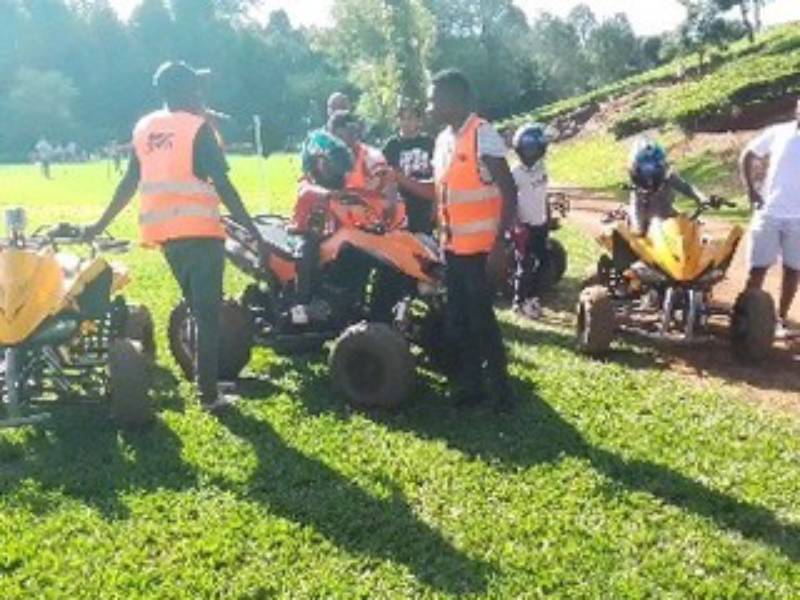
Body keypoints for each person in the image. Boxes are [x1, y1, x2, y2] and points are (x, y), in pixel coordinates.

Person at [84, 61, 268, 413]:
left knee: (198, 309)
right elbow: (224, 185)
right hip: (200, 232)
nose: (200, 92)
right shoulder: (198, 129)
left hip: (166, 235)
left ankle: (206, 379)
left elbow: (129, 183)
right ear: (184, 90)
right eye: (195, 87)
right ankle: (209, 394)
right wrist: (251, 228)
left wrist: (98, 224)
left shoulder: (144, 129)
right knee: (208, 313)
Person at [429, 69, 518, 411]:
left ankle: (500, 391)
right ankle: (470, 385)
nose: (431, 105)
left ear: (455, 100)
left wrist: (500, 244)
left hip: (482, 251)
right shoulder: (443, 140)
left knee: (482, 321)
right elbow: (444, 191)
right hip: (453, 250)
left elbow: (509, 191)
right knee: (459, 321)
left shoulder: (483, 134)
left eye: (435, 99)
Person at [740, 98, 800, 338]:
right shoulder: (778, 132)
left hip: (798, 219)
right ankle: (744, 318)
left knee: (793, 270)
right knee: (757, 269)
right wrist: (751, 191)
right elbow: (748, 155)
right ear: (797, 109)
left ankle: (780, 318)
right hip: (769, 213)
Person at [291, 129, 355, 323]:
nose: (339, 175)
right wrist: (328, 194)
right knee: (307, 252)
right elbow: (308, 192)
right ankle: (300, 305)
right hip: (302, 234)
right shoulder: (308, 184)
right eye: (333, 169)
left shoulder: (338, 187)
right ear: (318, 163)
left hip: (331, 234)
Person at [627, 139, 710, 236]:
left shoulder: (668, 177)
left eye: (655, 166)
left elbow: (686, 188)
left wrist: (701, 198)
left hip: (669, 220)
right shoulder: (636, 188)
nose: (650, 171)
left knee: (693, 227)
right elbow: (636, 209)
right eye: (646, 167)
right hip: (647, 227)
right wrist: (639, 229)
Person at [509, 122, 550, 320]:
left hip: (540, 224)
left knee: (543, 262)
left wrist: (548, 217)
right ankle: (519, 302)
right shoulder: (515, 174)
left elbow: (543, 195)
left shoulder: (541, 169)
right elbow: (508, 201)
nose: (532, 152)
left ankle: (533, 297)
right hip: (524, 226)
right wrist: (516, 225)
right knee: (524, 265)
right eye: (528, 148)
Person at [383, 98, 436, 234]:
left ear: (419, 121)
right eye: (403, 118)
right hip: (402, 203)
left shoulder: (429, 143)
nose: (407, 122)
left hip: (425, 201)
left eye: (411, 118)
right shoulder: (392, 146)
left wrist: (436, 205)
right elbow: (386, 177)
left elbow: (438, 173)